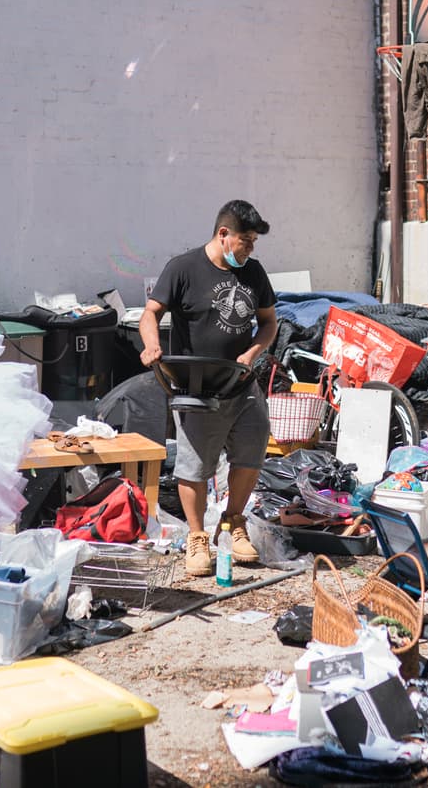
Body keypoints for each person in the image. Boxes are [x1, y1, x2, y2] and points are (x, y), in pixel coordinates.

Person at [139, 200, 278, 576]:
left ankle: (233, 523)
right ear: (223, 234)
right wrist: (152, 345)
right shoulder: (183, 268)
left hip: (241, 383)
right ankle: (198, 537)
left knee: (251, 453)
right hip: (198, 386)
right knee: (195, 466)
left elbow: (269, 322)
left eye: (253, 243)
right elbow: (150, 312)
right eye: (245, 241)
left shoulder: (254, 273)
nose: (250, 249)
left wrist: (252, 352)